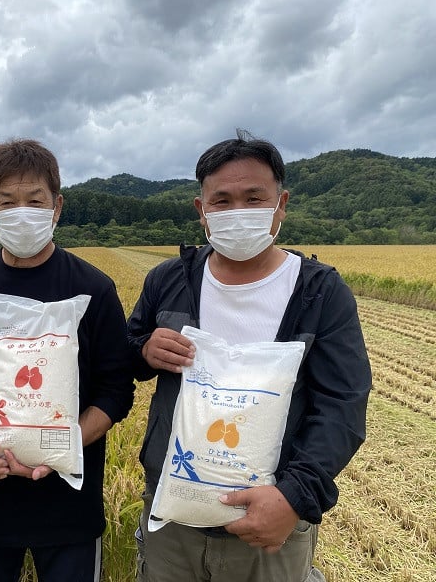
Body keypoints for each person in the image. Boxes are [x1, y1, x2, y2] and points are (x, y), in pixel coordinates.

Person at [127, 131, 371, 582]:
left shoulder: (318, 292)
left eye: (254, 198)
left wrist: (294, 497)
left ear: (281, 203)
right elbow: (127, 355)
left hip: (268, 527)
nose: (237, 212)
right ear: (201, 209)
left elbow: (342, 405)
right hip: (172, 516)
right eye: (221, 201)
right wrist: (144, 350)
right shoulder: (169, 280)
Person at [0, 138, 135, 582]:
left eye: (35, 201)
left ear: (57, 207)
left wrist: (64, 445)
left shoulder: (93, 288)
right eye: (7, 202)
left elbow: (116, 390)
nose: (22, 212)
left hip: (69, 507)